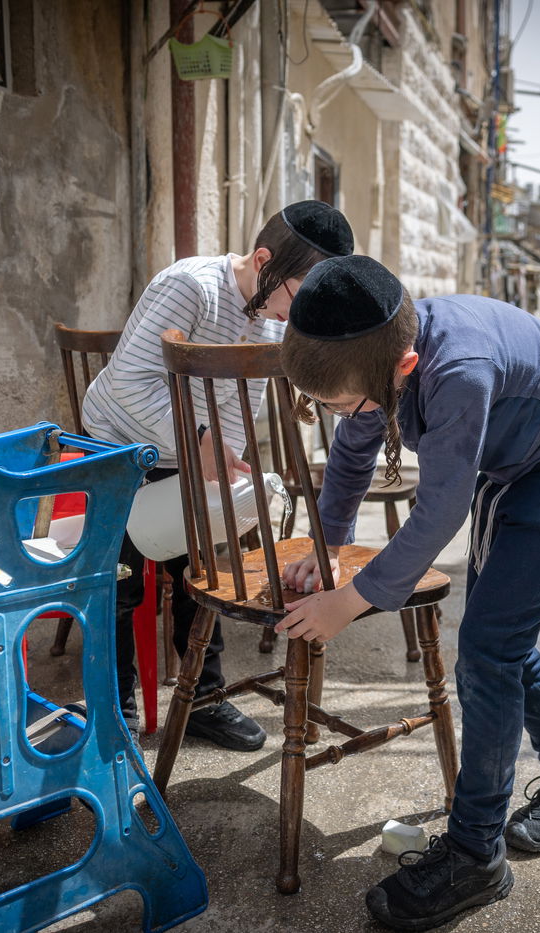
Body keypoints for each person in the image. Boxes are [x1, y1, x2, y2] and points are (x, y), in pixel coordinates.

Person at [273, 256, 540, 930]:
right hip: (519, 459)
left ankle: (474, 855)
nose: (340, 418)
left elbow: (438, 513)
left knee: (490, 645)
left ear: (402, 371)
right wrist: (326, 553)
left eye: (344, 404)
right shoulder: (379, 347)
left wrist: (346, 601)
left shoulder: (457, 371)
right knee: (499, 639)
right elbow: (352, 453)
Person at [81, 201, 355, 750]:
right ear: (263, 261)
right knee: (120, 586)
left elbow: (236, 403)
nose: (297, 316)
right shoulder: (191, 287)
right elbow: (130, 383)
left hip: (190, 457)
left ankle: (204, 699)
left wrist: (218, 457)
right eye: (300, 296)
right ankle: (114, 714)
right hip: (120, 447)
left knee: (200, 580)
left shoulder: (274, 316)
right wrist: (203, 443)